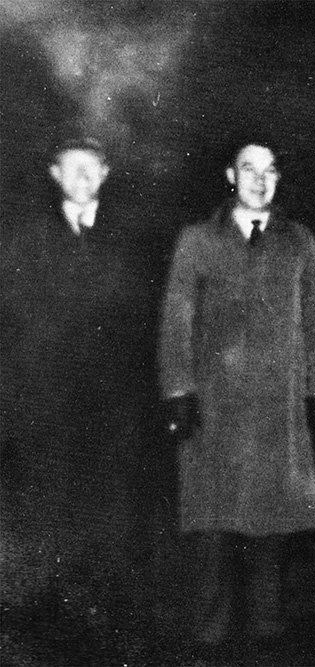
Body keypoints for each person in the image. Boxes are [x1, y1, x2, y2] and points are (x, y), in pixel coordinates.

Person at [157, 139, 315, 646]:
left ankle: (268, 633)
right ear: (230, 176)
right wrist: (178, 391)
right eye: (249, 169)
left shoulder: (298, 240)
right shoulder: (197, 239)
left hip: (278, 406)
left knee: (273, 524)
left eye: (271, 171)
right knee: (213, 524)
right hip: (214, 405)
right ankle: (208, 636)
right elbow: (176, 321)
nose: (261, 180)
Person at [0, 137, 155, 625]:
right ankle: (49, 609)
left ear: (106, 174)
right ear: (55, 175)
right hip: (47, 402)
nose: (83, 177)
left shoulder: (133, 241)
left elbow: (145, 323)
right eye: (72, 168)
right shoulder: (24, 242)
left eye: (92, 168)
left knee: (111, 506)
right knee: (49, 499)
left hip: (113, 404)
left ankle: (109, 607)